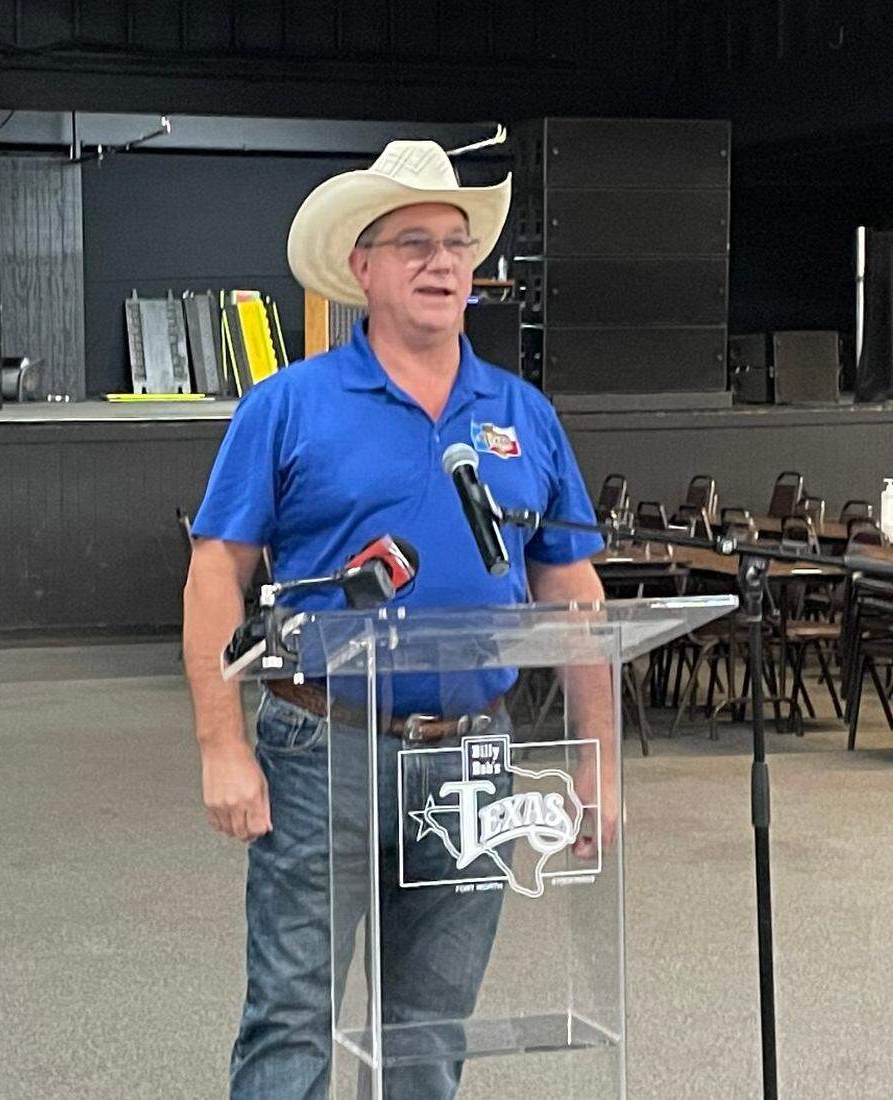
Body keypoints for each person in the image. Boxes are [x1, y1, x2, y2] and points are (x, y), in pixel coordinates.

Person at [183, 139, 616, 1099]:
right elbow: (216, 573)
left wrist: (597, 758)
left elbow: (574, 593)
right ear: (363, 269)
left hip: (473, 758)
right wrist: (221, 744)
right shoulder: (288, 406)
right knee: (290, 1023)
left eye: (457, 243)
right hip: (319, 747)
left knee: (430, 1033)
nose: (442, 262)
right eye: (413, 242)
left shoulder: (522, 414)